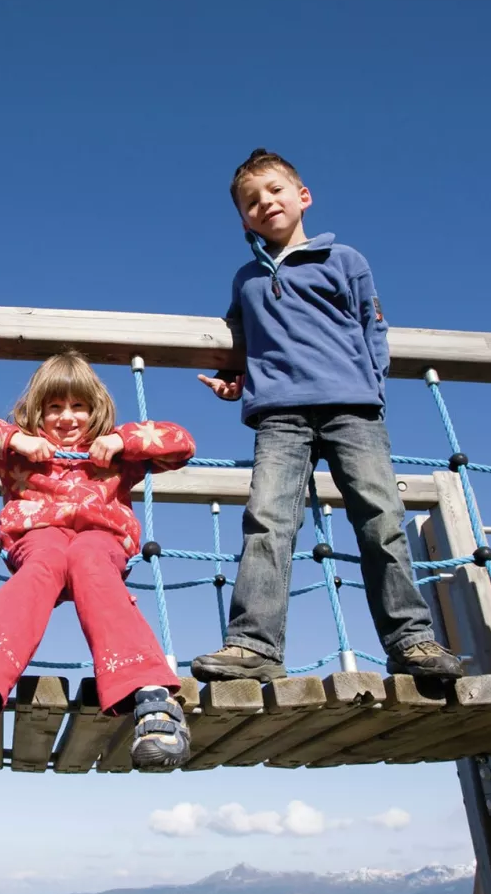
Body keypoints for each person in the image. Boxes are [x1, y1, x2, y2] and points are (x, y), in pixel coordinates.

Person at [191, 149, 463, 683]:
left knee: (381, 519)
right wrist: (235, 379)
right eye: (251, 201)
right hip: (279, 416)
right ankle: (254, 646)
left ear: (302, 196)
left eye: (274, 191)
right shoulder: (246, 278)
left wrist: (371, 387)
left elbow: (372, 328)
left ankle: (411, 641)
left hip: (352, 410)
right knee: (267, 521)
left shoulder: (345, 261)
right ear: (242, 218)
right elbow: (240, 343)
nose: (265, 203)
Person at [0, 352, 197, 769]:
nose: (67, 418)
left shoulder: (112, 452)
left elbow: (181, 442)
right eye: (54, 407)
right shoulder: (21, 449)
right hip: (38, 541)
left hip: (99, 541)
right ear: (38, 412)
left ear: (96, 411)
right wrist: (14, 439)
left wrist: (124, 440)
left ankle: (152, 699)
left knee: (90, 559)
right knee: (44, 561)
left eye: (78, 407)